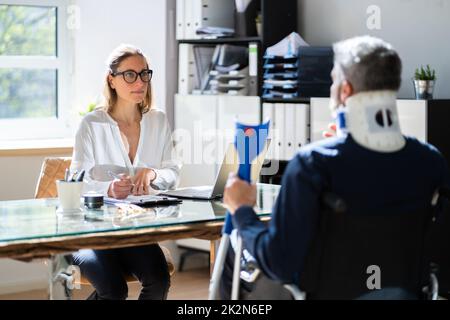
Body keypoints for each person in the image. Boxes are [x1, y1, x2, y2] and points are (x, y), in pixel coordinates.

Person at [220, 36, 450, 299]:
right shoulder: (431, 162)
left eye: (332, 79)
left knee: (234, 252)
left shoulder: (312, 164)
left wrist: (242, 211)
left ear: (345, 91)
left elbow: (280, 264)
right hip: (404, 292)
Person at [70, 44, 180, 300]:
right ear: (112, 79)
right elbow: (76, 181)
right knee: (114, 290)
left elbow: (173, 172)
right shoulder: (91, 124)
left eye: (144, 74)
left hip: (134, 230)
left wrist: (153, 174)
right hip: (91, 232)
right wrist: (106, 189)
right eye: (129, 74)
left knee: (159, 279)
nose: (139, 81)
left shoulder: (158, 120)